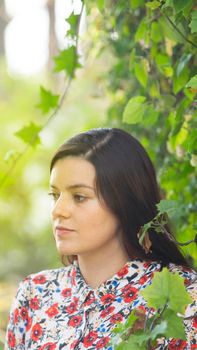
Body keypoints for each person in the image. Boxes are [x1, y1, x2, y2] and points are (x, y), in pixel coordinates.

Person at [5, 127, 196, 349]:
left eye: (79, 197)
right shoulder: (35, 293)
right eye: (55, 195)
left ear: (124, 201)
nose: (58, 210)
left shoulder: (182, 294)